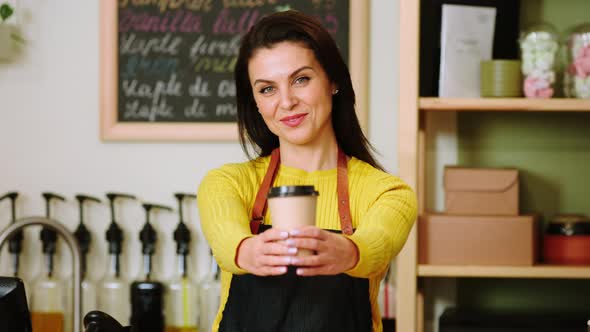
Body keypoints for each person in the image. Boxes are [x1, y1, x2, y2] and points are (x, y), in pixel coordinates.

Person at [197, 10, 417, 332]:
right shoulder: (228, 183)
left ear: (333, 81)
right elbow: (225, 238)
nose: (286, 102)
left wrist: (349, 252)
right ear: (255, 102)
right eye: (267, 89)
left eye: (301, 79)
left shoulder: (385, 192)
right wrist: (248, 251)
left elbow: (378, 242)